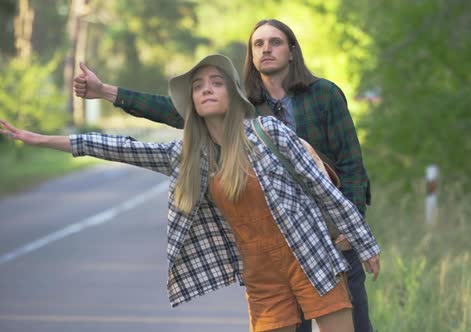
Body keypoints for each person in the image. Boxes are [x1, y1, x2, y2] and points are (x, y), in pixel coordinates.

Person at [1, 54, 380, 332]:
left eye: (216, 83)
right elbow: (118, 147)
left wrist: (365, 244)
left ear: (232, 95)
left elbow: (324, 189)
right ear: (193, 104)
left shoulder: (268, 132)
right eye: (199, 87)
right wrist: (38, 139)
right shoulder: (191, 157)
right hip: (261, 275)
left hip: (308, 252)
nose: (206, 90)